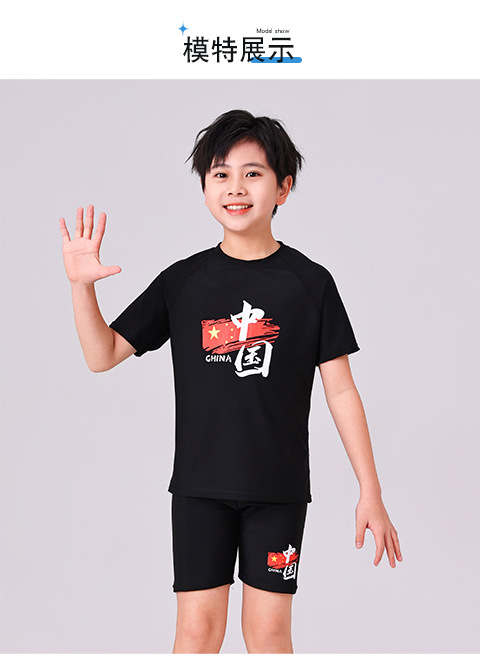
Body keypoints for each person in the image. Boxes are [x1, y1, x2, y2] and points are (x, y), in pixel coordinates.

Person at [59, 109, 402, 654]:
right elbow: (102, 356)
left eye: (253, 173)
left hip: (277, 493)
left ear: (283, 188)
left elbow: (341, 390)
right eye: (220, 174)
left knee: (268, 635)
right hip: (199, 491)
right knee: (197, 634)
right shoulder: (183, 282)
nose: (235, 187)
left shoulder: (310, 284)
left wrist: (371, 491)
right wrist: (82, 287)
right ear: (204, 188)